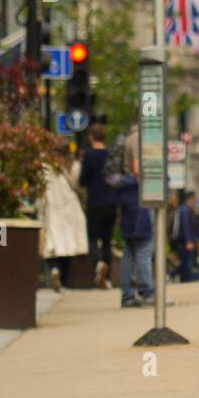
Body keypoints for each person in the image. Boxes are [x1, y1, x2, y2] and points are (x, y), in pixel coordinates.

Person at [38, 142, 88, 292]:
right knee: (69, 244)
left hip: (52, 206)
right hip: (70, 207)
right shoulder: (73, 165)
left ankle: (54, 269)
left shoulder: (45, 165)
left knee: (52, 242)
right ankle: (64, 281)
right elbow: (80, 186)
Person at [118, 126, 155, 308]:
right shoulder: (140, 137)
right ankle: (147, 292)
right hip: (139, 195)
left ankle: (127, 295)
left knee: (130, 249)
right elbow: (138, 167)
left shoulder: (129, 138)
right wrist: (152, 190)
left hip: (128, 194)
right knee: (144, 246)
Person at [78, 123, 115, 288]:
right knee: (107, 240)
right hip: (111, 202)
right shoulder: (111, 155)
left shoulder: (89, 155)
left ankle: (98, 264)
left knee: (92, 238)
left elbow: (82, 181)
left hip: (94, 202)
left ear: (91, 137)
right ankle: (107, 278)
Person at [172, 191, 199, 282]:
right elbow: (185, 226)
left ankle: (181, 278)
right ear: (191, 199)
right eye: (195, 200)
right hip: (185, 242)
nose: (196, 202)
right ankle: (175, 276)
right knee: (187, 263)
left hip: (186, 241)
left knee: (186, 262)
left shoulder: (187, 210)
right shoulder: (185, 210)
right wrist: (189, 241)